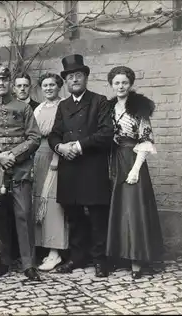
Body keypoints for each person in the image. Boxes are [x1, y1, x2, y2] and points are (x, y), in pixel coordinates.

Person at [0, 58, 42, 281]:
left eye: (5, 79)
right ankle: (4, 262)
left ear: (10, 82)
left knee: (24, 214)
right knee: (0, 216)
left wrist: (13, 155)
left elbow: (34, 137)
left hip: (21, 168)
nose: (1, 83)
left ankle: (28, 264)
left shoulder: (23, 108)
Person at [48, 54, 114, 278]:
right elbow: (54, 135)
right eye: (70, 77)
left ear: (86, 78)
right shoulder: (63, 105)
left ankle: (99, 259)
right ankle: (77, 258)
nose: (74, 80)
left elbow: (106, 133)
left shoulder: (100, 101)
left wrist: (77, 145)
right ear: (65, 82)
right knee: (74, 215)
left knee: (97, 215)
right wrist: (60, 148)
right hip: (69, 167)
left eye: (78, 75)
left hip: (92, 166)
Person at [106, 66, 164, 279]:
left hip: (132, 159)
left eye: (124, 82)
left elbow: (146, 139)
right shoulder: (108, 106)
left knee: (133, 209)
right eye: (116, 83)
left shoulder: (140, 106)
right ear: (111, 85)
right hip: (113, 159)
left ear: (130, 84)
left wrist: (136, 169)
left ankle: (137, 260)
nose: (120, 86)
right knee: (117, 208)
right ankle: (119, 256)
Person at [31, 73, 69, 271]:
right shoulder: (38, 108)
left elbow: (63, 135)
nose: (48, 88)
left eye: (52, 85)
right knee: (39, 202)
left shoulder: (63, 106)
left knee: (53, 203)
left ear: (59, 86)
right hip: (37, 157)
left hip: (55, 156)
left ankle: (55, 251)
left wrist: (56, 158)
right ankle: (43, 249)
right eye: (45, 85)